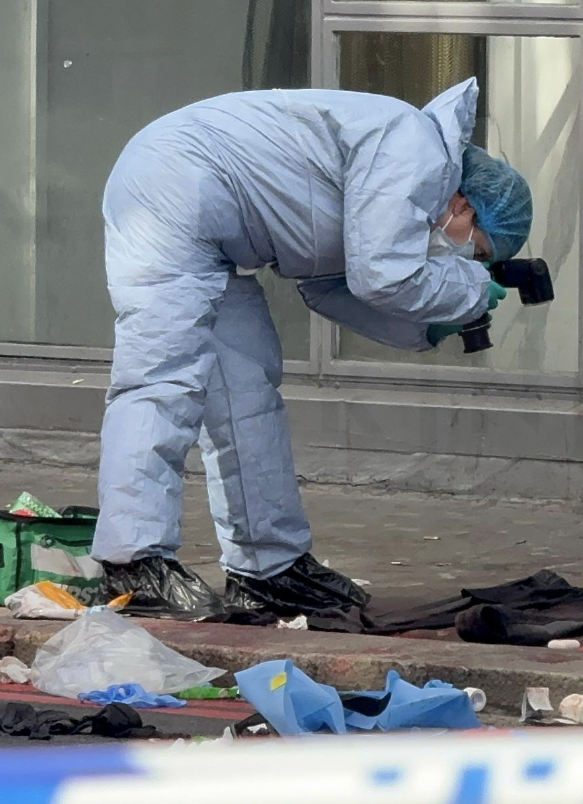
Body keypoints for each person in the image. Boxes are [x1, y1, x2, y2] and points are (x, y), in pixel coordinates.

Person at [95, 79, 533, 621]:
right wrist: (466, 294)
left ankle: (270, 569)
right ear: (463, 203)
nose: (464, 259)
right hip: (171, 188)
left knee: (246, 395)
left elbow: (331, 286)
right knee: (163, 376)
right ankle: (133, 562)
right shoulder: (415, 146)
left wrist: (430, 327)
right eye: (476, 250)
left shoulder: (411, 185)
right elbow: (381, 274)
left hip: (203, 208)